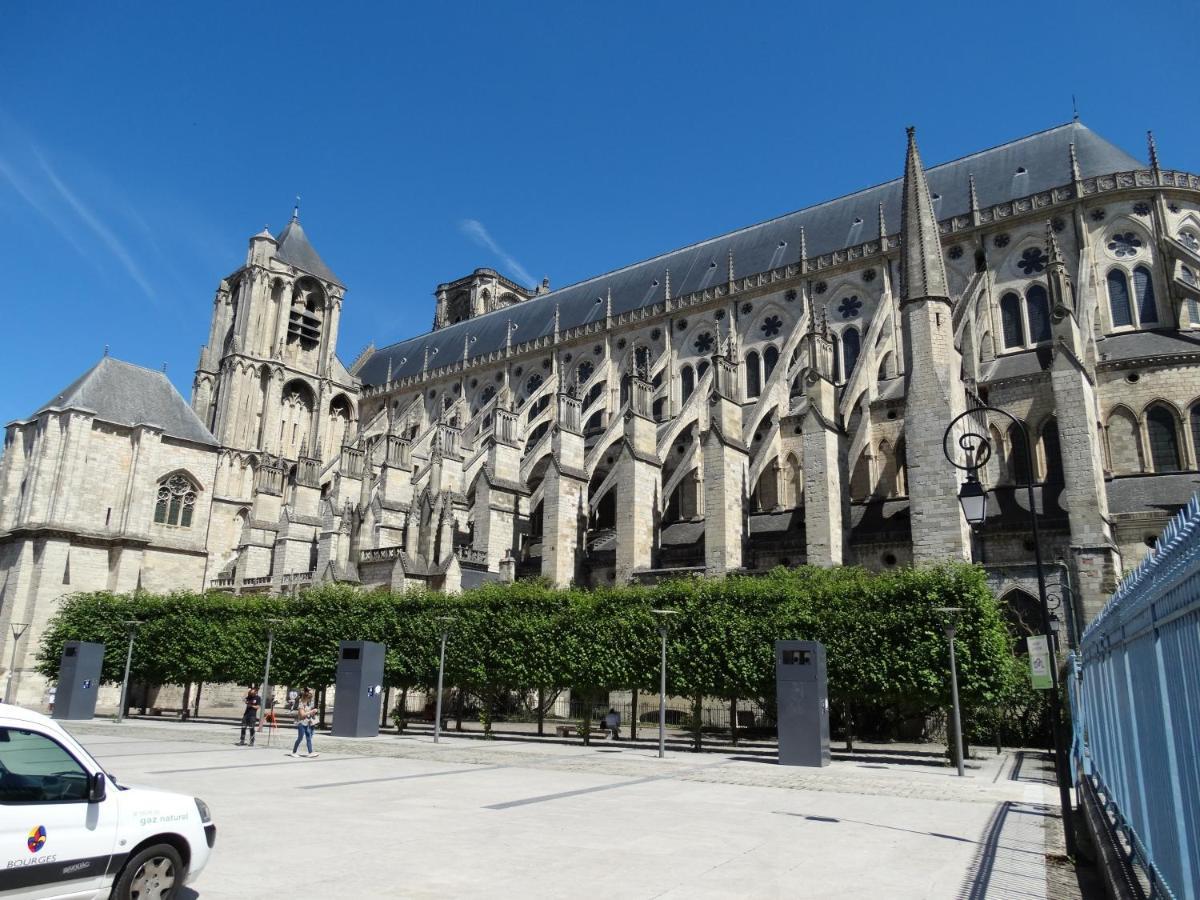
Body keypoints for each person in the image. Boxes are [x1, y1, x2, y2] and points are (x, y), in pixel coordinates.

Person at [289, 688, 319, 758]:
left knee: (308, 737)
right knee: (300, 738)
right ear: (305, 698)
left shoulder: (308, 705)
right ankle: (293, 752)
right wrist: (311, 712)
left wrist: (313, 713)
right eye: (309, 698)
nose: (310, 700)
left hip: (307, 723)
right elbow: (302, 715)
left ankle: (310, 752)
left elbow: (308, 714)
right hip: (301, 723)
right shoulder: (301, 705)